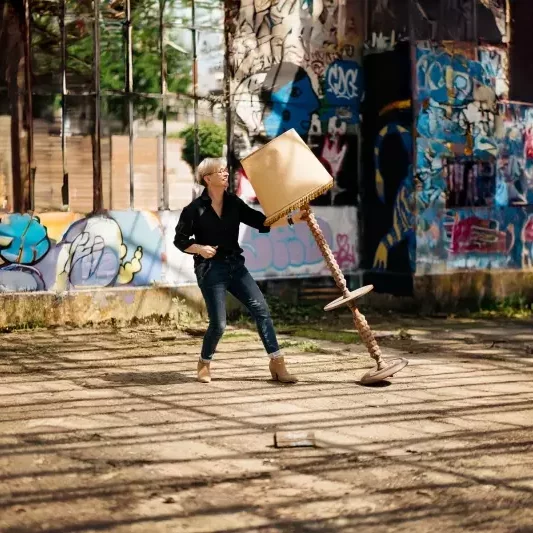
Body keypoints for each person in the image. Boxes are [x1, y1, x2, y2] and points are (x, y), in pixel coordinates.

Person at [174, 157, 306, 384]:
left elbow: (262, 222)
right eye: (221, 171)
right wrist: (200, 249)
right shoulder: (194, 210)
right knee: (219, 324)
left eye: (226, 170)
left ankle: (277, 363)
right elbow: (180, 240)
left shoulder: (234, 203)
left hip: (236, 266)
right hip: (210, 270)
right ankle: (204, 363)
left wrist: (294, 218)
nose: (226, 174)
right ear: (208, 178)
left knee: (261, 310)